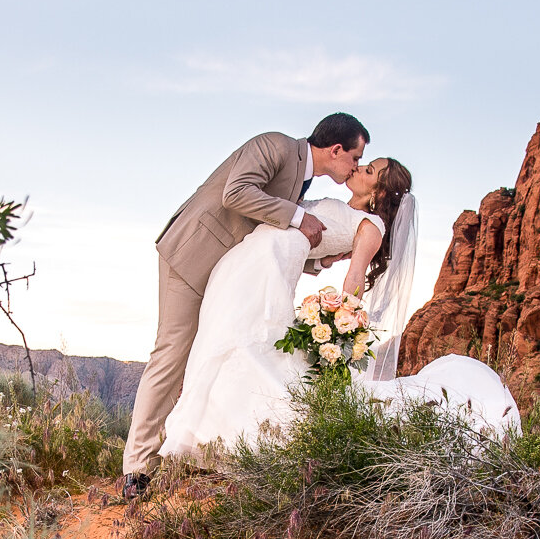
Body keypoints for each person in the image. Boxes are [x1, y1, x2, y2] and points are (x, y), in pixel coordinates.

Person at [126, 147, 520, 495]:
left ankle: (219, 447)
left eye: (369, 170)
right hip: (251, 264)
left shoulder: (373, 226)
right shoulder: (346, 209)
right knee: (225, 345)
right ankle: (204, 445)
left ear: (379, 192)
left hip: (266, 275)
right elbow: (313, 239)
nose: (359, 169)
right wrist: (319, 261)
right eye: (361, 162)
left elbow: (354, 279)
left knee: (241, 349)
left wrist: (338, 324)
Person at [119, 113, 369, 499]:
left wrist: (316, 262)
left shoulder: (301, 179)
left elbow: (261, 232)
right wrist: (300, 217)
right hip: (192, 257)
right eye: (354, 158)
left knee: (199, 359)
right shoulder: (275, 145)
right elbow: (235, 193)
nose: (355, 167)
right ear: (336, 150)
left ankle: (171, 452)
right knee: (171, 354)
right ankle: (137, 468)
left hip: (226, 275)